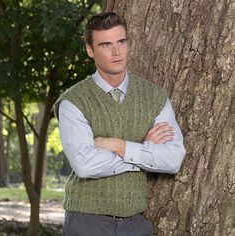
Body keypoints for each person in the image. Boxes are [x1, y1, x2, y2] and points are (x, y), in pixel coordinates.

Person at [54, 12, 186, 236]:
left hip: (136, 224)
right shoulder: (73, 101)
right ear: (90, 50)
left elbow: (173, 159)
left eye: (121, 42)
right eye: (105, 44)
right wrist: (144, 149)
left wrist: (118, 145)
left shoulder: (154, 96)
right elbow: (85, 166)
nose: (117, 52)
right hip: (86, 222)